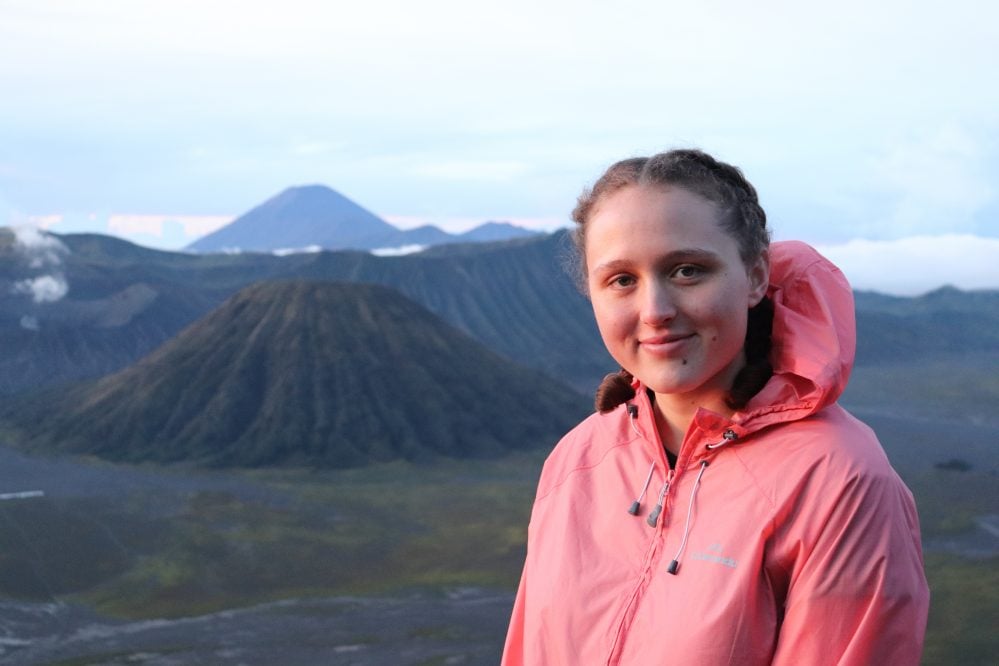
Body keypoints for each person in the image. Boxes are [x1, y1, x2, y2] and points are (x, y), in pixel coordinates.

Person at [502, 149, 929, 665]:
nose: (655, 311)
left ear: (754, 276)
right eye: (621, 280)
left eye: (687, 271)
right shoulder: (577, 460)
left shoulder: (840, 482)